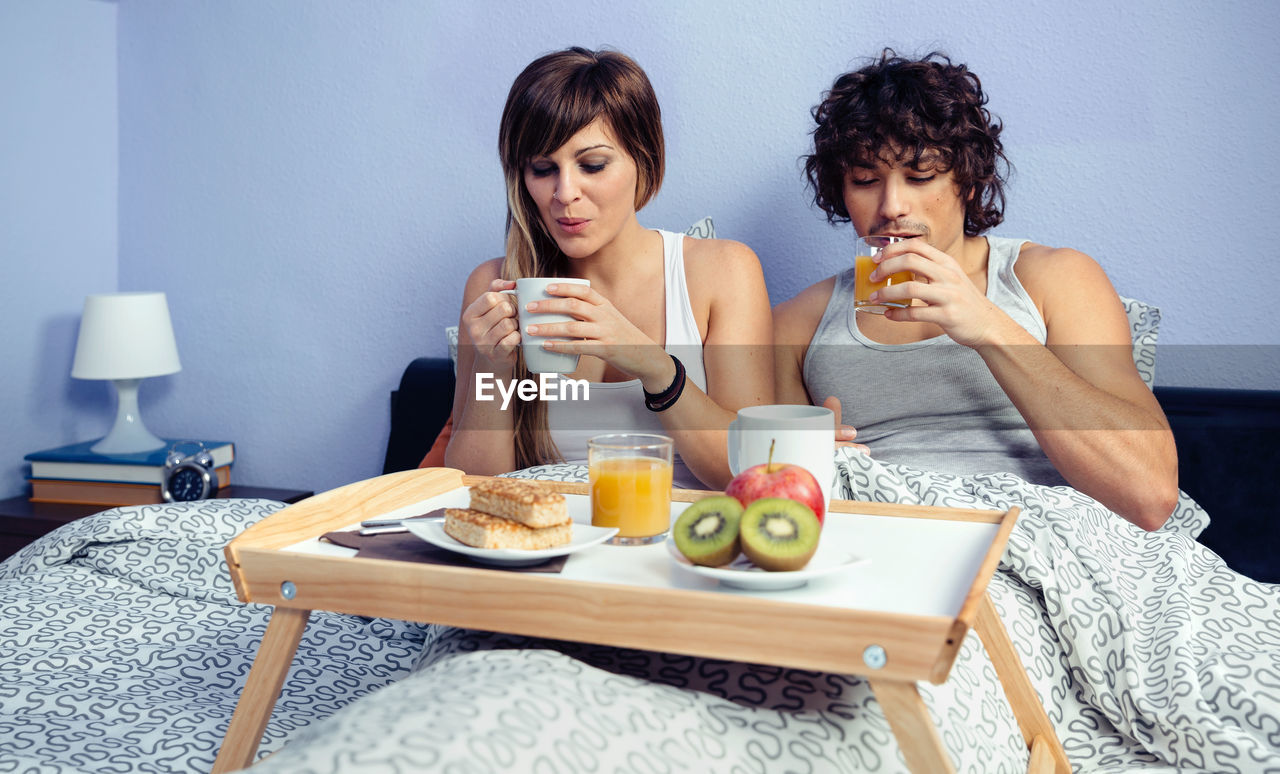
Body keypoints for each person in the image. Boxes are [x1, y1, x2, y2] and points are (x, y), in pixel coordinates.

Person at [773, 50, 1178, 531]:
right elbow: (769, 490)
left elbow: (1150, 494)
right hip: (878, 538)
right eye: (865, 180)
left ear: (967, 178)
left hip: (1036, 538)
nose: (892, 206)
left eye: (920, 176)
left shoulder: (1055, 278)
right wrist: (806, 462)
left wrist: (987, 325)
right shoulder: (796, 323)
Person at [444, 47, 773, 490]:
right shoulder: (493, 286)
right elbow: (474, 486)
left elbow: (750, 473)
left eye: (592, 165)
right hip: (555, 543)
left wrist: (654, 366)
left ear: (644, 160)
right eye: (543, 169)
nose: (564, 193)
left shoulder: (722, 271)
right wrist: (494, 368)